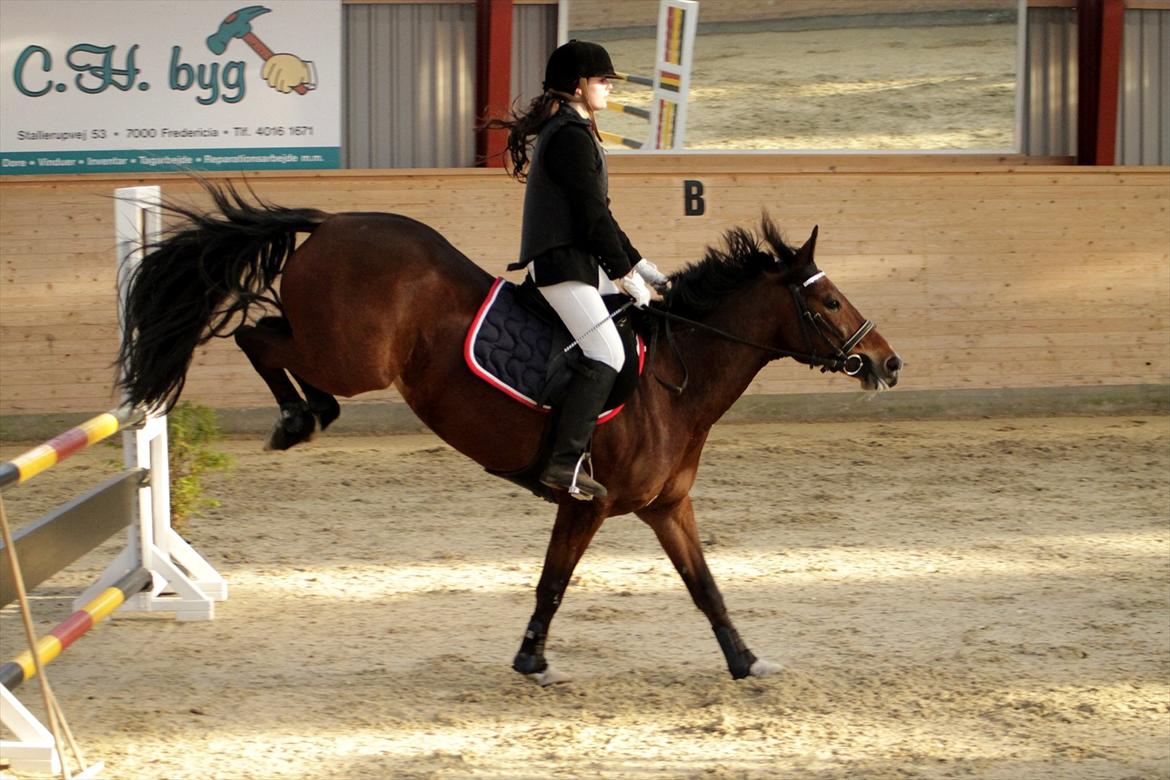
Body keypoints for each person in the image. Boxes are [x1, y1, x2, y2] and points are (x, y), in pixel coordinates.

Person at [489, 40, 670, 500]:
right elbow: (590, 216)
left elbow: (602, 214)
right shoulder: (569, 136)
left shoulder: (577, 130)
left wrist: (639, 265)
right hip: (562, 268)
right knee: (607, 352)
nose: (608, 87)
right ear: (577, 85)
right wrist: (623, 276)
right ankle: (563, 462)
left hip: (578, 265)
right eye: (601, 80)